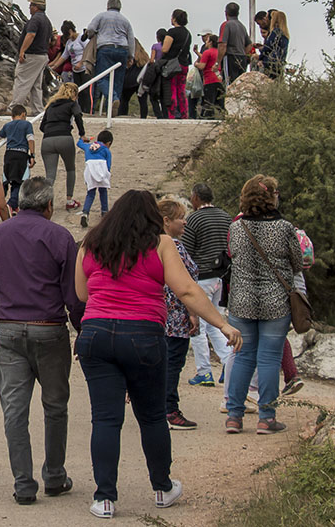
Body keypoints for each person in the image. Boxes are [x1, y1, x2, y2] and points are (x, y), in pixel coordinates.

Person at [74, 189, 242, 518]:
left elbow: (81, 293)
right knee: (151, 416)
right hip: (143, 334)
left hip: (96, 334)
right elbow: (186, 289)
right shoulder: (160, 244)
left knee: (106, 419)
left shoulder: (91, 243)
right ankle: (162, 488)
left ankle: (104, 497)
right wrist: (221, 324)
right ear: (152, 215)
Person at [0, 176, 84, 506]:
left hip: (8, 331)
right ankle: (55, 475)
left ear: (19, 204)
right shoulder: (61, 237)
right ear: (48, 206)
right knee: (56, 406)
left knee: (14, 411)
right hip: (49, 330)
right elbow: (73, 295)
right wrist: (82, 329)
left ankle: (23, 484)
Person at [224, 175, 304, 435]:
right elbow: (297, 263)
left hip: (242, 301)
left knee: (243, 356)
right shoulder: (284, 227)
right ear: (272, 197)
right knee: (269, 358)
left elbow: (231, 256)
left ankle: (234, 416)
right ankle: (266, 417)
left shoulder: (236, 228)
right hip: (275, 301)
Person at [183, 183, 232, 388]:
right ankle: (229, 364)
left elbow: (186, 251)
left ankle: (204, 371)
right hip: (222, 277)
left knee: (198, 326)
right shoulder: (226, 217)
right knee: (216, 322)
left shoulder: (193, 219)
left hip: (202, 276)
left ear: (195, 198)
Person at [158, 198, 200, 431]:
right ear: (166, 221)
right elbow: (186, 283)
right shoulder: (174, 247)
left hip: (158, 315)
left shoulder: (150, 244)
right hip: (176, 317)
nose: (185, 222)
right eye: (180, 218)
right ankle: (170, 409)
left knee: (161, 363)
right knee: (173, 364)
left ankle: (159, 406)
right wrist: (193, 313)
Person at [39, 82, 85, 212]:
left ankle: (47, 203)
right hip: (64, 137)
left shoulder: (51, 106)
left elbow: (42, 127)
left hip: (47, 140)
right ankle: (69, 201)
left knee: (50, 175)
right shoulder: (72, 104)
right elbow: (78, 116)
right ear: (74, 94)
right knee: (70, 169)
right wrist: (82, 134)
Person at [85, 0, 135, 113]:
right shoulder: (125, 20)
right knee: (117, 80)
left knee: (102, 78)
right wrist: (131, 56)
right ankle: (111, 110)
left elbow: (91, 28)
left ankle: (113, 99)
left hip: (105, 48)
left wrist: (92, 35)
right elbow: (131, 39)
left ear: (108, 6)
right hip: (122, 50)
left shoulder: (101, 16)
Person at [12, 0, 52, 115]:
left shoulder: (35, 20)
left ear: (36, 7)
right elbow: (49, 40)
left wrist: (22, 51)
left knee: (22, 80)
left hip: (32, 55)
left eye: (31, 5)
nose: (29, 8)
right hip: (42, 55)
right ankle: (38, 110)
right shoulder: (47, 21)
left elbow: (30, 35)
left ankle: (14, 108)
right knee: (36, 85)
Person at [0, 106, 36, 211]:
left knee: (6, 180)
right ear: (23, 114)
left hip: (9, 154)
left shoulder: (7, 125)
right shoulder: (27, 124)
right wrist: (32, 155)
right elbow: (30, 139)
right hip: (21, 154)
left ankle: (0, 202)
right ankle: (12, 203)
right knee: (19, 181)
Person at [158, 10, 192, 119]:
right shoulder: (188, 34)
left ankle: (172, 115)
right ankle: (184, 114)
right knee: (181, 91)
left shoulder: (172, 32)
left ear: (174, 19)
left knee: (171, 90)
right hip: (184, 64)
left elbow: (165, 49)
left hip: (172, 65)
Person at [78, 130, 113, 229]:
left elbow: (79, 143)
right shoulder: (106, 150)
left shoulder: (88, 146)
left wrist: (83, 139)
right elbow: (108, 164)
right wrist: (107, 174)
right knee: (103, 191)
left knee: (90, 193)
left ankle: (85, 213)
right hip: (101, 170)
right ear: (109, 143)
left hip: (90, 171)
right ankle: (105, 212)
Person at [217, 2, 252, 86]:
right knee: (240, 85)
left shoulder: (226, 25)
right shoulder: (242, 26)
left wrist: (218, 62)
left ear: (226, 13)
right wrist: (243, 53)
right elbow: (249, 45)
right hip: (242, 58)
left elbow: (222, 45)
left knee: (229, 85)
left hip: (230, 57)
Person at [195, 33, 223, 117]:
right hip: (218, 79)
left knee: (209, 102)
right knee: (220, 102)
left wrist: (196, 64)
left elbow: (202, 65)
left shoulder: (207, 52)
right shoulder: (218, 52)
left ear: (210, 42)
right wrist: (197, 52)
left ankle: (209, 117)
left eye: (207, 40)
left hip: (209, 80)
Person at [49, 20, 85, 85]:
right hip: (75, 70)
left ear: (70, 31)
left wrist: (80, 63)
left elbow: (88, 51)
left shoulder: (82, 38)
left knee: (85, 90)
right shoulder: (69, 42)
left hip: (84, 69)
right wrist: (55, 66)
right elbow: (64, 56)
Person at [260, 9, 290, 80]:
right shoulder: (285, 35)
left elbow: (268, 48)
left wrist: (260, 57)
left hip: (271, 63)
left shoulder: (275, 32)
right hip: (280, 64)